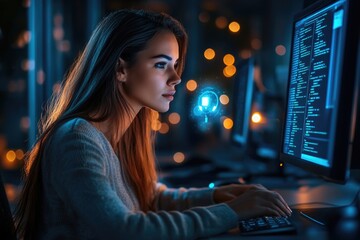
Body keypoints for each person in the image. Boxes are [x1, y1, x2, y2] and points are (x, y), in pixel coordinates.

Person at [14, 9, 292, 240]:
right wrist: (232, 212)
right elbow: (123, 230)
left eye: (175, 64)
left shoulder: (116, 135)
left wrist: (217, 195)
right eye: (161, 65)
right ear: (121, 69)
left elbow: (147, 197)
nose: (176, 78)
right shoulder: (77, 139)